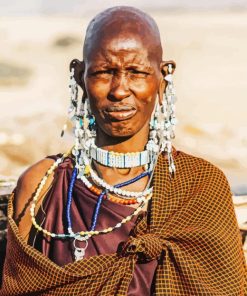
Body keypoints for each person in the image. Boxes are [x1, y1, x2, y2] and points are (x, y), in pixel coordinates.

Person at [0, 6, 246, 296]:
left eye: (136, 72)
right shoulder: (43, 185)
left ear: (163, 77)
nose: (119, 90)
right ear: (80, 76)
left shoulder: (201, 186)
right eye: (104, 72)